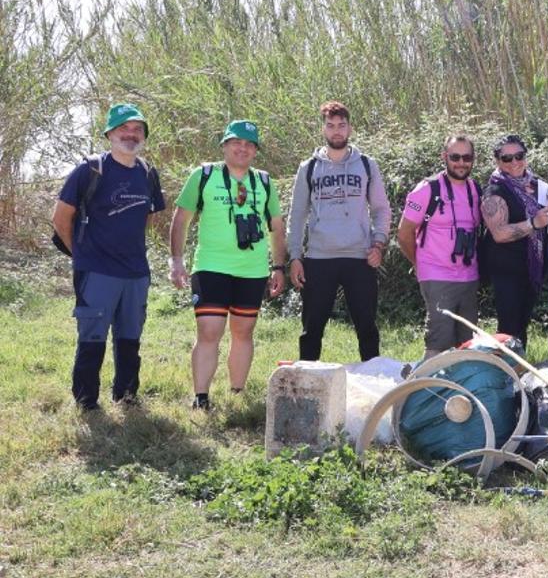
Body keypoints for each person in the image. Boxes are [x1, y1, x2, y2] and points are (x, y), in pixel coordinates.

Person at [52, 103, 165, 410]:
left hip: (136, 272)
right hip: (97, 271)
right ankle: (87, 401)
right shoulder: (89, 170)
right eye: (123, 129)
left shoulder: (148, 174)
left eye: (137, 129)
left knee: (130, 337)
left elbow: (147, 218)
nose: (131, 134)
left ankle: (126, 395)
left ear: (143, 136)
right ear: (109, 134)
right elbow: (61, 219)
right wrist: (82, 255)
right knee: (93, 338)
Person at [170, 120, 286, 410]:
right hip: (211, 266)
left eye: (249, 144)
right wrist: (177, 261)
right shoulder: (204, 176)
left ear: (255, 151)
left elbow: (277, 227)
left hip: (252, 269)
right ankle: (201, 397)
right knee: (209, 331)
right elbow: (181, 219)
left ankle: (236, 393)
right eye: (236, 142)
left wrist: (278, 267)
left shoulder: (264, 182)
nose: (242, 148)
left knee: (243, 332)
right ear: (224, 146)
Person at [286, 101, 391, 363]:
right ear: (323, 129)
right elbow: (297, 214)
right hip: (319, 258)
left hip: (360, 257)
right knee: (312, 330)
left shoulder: (367, 165)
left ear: (350, 128)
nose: (336, 131)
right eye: (331, 126)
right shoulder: (308, 167)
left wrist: (378, 245)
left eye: (341, 125)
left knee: (367, 328)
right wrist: (295, 257)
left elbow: (381, 208)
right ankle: (308, 386)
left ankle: (374, 386)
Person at [397, 134, 483, 359]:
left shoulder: (476, 189)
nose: (461, 163)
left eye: (467, 157)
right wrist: (419, 263)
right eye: (455, 157)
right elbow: (404, 233)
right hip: (436, 274)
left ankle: (462, 389)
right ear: (444, 157)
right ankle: (428, 388)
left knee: (468, 341)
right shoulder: (427, 189)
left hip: (468, 275)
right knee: (439, 337)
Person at [480, 134, 548, 347]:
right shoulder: (494, 191)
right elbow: (499, 233)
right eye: (507, 159)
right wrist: (533, 223)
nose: (515, 162)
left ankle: (520, 371)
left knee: (522, 325)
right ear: (498, 162)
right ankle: (506, 372)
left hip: (531, 267)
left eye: (519, 155)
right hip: (506, 270)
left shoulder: (538, 186)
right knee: (509, 328)